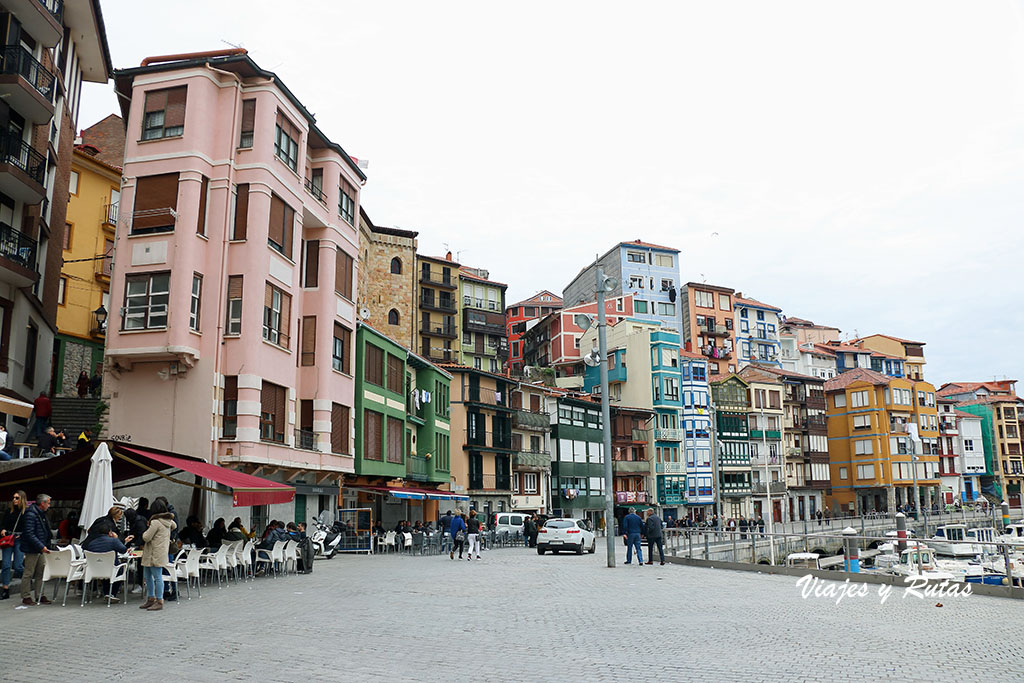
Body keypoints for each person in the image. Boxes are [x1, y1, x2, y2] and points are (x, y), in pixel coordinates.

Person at [140, 499, 176, 611]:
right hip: (161, 552)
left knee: (152, 577)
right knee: (156, 577)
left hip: (152, 552)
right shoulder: (169, 521)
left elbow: (146, 537)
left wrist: (146, 529)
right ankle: (153, 599)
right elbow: (174, 526)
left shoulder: (155, 522)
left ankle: (157, 600)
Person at [19, 493, 53, 605]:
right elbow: (29, 533)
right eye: (48, 503)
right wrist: (41, 546)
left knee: (41, 572)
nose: (49, 505)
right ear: (42, 503)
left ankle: (40, 594)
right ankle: (26, 596)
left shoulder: (41, 514)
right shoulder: (31, 514)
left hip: (41, 547)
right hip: (33, 548)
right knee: (29, 572)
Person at [1, 489, 27, 600]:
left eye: (17, 498)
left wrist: (22, 535)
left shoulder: (25, 513)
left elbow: (28, 527)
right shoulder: (9, 511)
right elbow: (2, 523)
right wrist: (2, 530)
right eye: (14, 498)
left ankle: (28, 580)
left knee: (18, 565)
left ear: (22, 499)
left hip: (19, 539)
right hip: (8, 538)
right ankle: (5, 589)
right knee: (6, 565)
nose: (14, 500)